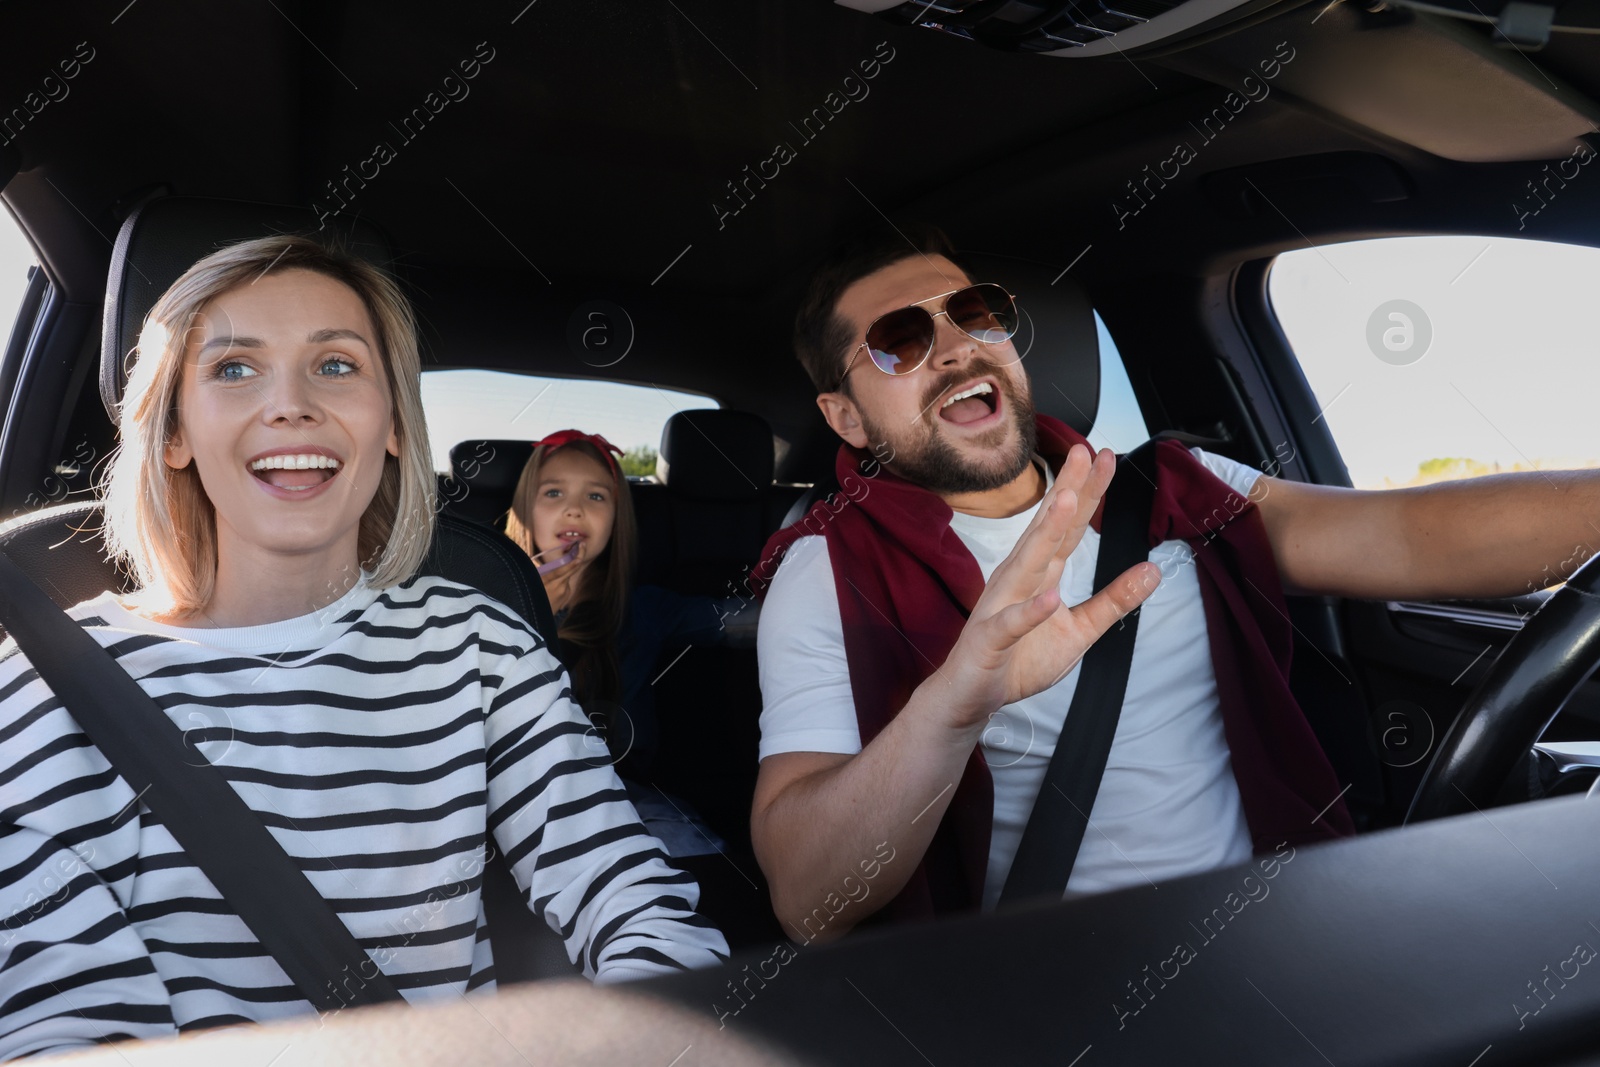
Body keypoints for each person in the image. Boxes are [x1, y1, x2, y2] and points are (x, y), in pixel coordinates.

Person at [749, 223, 1600, 942]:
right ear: (847, 417)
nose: (958, 345)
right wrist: (954, 705)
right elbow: (807, 898)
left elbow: (1411, 536)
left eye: (975, 313)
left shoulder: (1171, 487)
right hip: (1044, 992)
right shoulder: (828, 571)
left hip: (1286, 932)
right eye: (901, 340)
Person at [0, 236, 728, 1058]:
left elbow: (637, 905)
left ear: (391, 425)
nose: (292, 404)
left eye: (337, 365)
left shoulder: (480, 646)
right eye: (235, 368)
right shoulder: (52, 680)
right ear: (173, 433)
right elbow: (59, 1029)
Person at [504, 432, 757, 857]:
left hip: (618, 792)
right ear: (525, 509)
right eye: (553, 492)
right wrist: (526, 602)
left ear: (617, 519)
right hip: (506, 796)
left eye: (597, 497)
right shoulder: (487, 603)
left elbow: (739, 621)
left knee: (695, 859)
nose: (575, 508)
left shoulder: (640, 610)